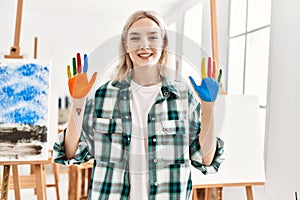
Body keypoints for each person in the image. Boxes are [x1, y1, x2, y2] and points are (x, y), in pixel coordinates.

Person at [53, 10, 224, 200]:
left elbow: (206, 159)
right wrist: (78, 102)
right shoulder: (104, 96)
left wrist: (208, 106)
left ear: (163, 43)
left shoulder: (183, 97)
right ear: (125, 45)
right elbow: (71, 153)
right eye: (135, 38)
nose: (144, 45)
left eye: (153, 37)